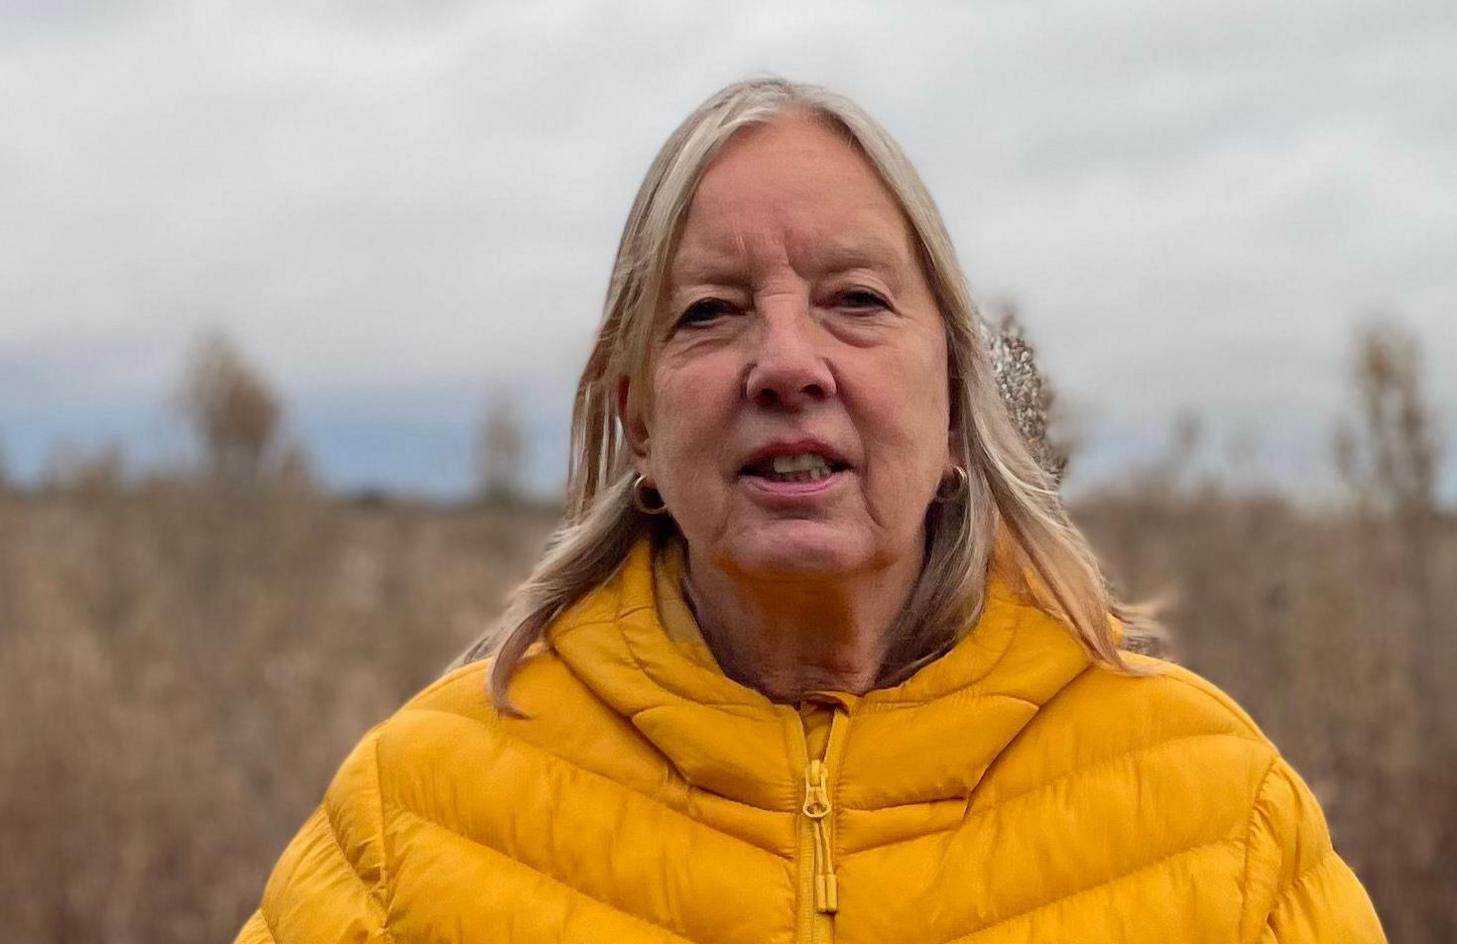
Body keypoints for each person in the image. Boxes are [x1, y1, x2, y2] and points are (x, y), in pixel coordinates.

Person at [236, 78, 1386, 943]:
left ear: (951, 403)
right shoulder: (413, 820)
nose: (787, 363)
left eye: (855, 298)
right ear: (640, 424)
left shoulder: (1218, 812)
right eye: (709, 311)